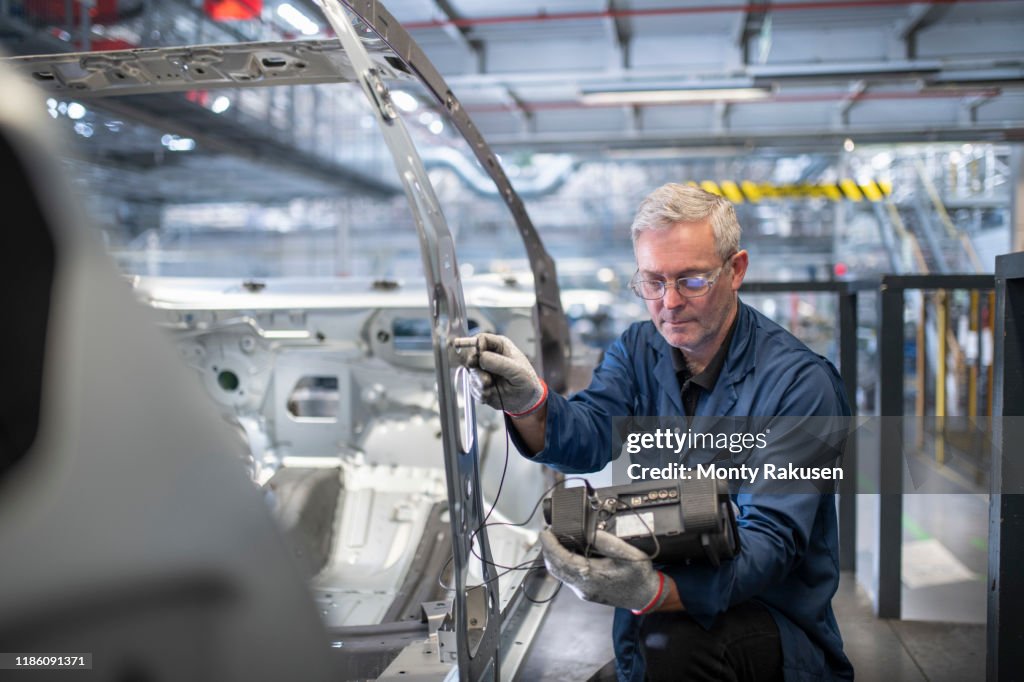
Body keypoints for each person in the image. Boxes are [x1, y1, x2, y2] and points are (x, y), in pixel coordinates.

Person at [455, 184, 853, 682]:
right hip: (654, 619)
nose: (669, 303)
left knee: (676, 642)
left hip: (768, 619)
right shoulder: (640, 348)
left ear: (736, 270)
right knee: (656, 645)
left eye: (691, 281)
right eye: (652, 281)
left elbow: (772, 545)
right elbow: (591, 432)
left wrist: (654, 593)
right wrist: (529, 401)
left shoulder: (802, 385)